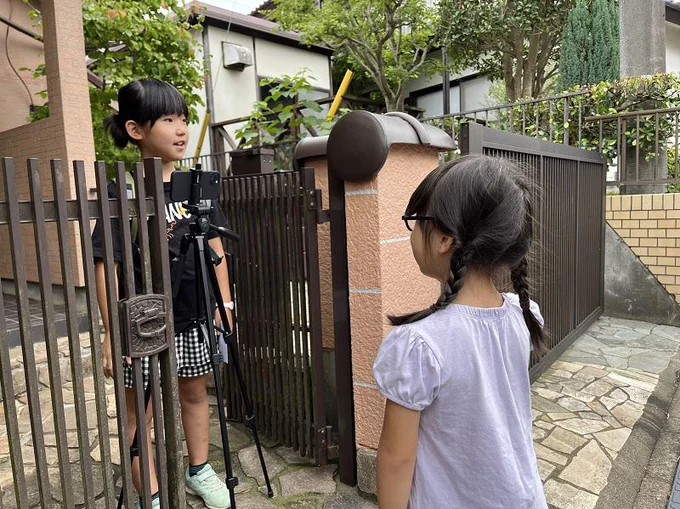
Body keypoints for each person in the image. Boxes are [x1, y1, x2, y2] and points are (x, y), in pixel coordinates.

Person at [373, 155, 548, 509]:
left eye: (416, 222)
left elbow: (396, 459)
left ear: (443, 240)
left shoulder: (419, 345)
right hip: (523, 496)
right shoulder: (522, 314)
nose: (412, 234)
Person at [92, 78, 233, 509]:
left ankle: (199, 469)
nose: (181, 129)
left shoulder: (195, 188)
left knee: (195, 393)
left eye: (184, 119)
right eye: (168, 119)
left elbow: (216, 248)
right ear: (136, 130)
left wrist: (224, 304)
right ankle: (149, 492)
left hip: (192, 315)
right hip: (142, 325)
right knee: (141, 414)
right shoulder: (123, 192)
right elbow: (106, 265)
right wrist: (113, 330)